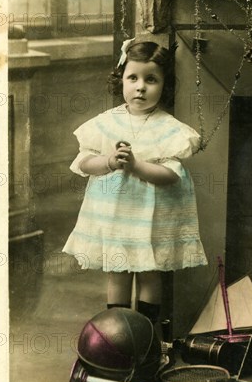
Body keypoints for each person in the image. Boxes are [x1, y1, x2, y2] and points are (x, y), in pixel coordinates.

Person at [63, 39, 207, 324]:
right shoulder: (105, 123)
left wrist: (136, 165)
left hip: (149, 219)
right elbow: (83, 163)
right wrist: (109, 162)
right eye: (133, 78)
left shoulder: (169, 128)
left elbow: (171, 176)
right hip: (115, 217)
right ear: (121, 80)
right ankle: (118, 335)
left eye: (151, 79)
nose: (141, 86)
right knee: (118, 272)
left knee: (149, 272)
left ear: (164, 85)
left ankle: (147, 332)